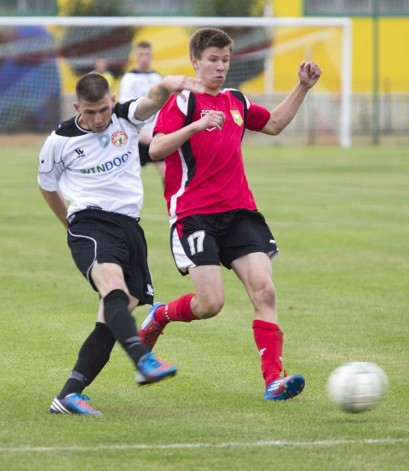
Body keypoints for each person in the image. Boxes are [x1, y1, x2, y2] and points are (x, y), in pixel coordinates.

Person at [138, 28, 322, 401]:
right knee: (211, 305)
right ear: (195, 62)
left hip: (238, 212)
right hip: (194, 215)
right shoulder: (183, 101)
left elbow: (272, 124)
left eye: (225, 60)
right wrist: (195, 126)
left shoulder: (235, 100)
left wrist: (302, 87)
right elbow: (156, 148)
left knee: (265, 291)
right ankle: (160, 316)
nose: (220, 67)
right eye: (213, 60)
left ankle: (274, 379)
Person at [38, 72, 203, 416]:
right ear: (76, 107)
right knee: (112, 285)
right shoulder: (59, 140)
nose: (98, 119)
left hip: (129, 227)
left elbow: (152, 99)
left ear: (112, 101)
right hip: (90, 222)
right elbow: (47, 185)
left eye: (102, 109)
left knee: (114, 314)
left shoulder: (125, 118)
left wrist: (167, 84)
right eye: (90, 112)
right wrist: (68, 222)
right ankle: (143, 359)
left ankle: (69, 394)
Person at [119, 40, 166, 178]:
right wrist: (141, 132)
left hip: (155, 135)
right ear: (136, 56)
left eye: (147, 54)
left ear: (151, 56)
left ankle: (170, 200)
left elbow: (162, 107)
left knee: (168, 174)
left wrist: (156, 131)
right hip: (135, 135)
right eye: (141, 54)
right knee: (127, 174)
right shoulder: (129, 78)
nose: (144, 58)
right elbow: (125, 106)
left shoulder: (157, 78)